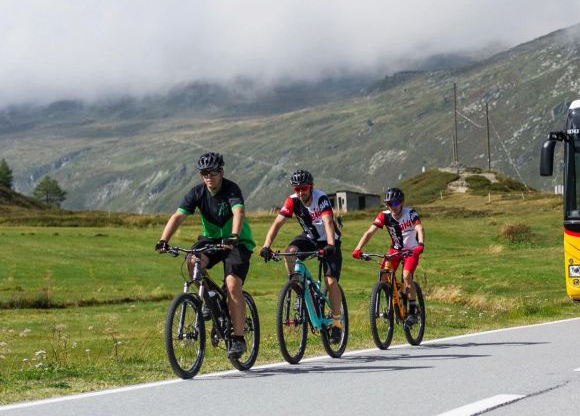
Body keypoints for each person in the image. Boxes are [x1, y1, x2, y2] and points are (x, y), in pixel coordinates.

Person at [155, 152, 255, 358]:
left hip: (237, 243)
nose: (209, 177)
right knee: (192, 261)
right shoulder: (197, 192)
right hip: (211, 241)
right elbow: (179, 215)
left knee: (232, 284)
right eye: (204, 173)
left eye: (213, 172)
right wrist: (163, 240)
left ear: (221, 172)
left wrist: (234, 236)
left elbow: (239, 212)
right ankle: (210, 298)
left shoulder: (231, 189)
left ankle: (238, 338)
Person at [258, 169, 344, 344]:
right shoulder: (292, 201)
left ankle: (336, 322)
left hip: (329, 240)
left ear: (310, 186)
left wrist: (330, 245)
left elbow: (328, 221)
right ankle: (297, 287)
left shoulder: (320, 198)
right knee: (289, 253)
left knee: (330, 281)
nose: (300, 192)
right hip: (310, 238)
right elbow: (277, 223)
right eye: (296, 188)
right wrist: (266, 245)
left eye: (303, 188)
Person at [351, 187, 425, 325]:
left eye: (395, 203)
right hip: (395, 250)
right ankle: (394, 301)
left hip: (411, 251)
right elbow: (370, 232)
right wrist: (358, 248)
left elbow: (419, 228)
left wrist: (420, 244)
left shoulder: (410, 213)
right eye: (389, 204)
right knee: (384, 274)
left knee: (406, 275)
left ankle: (413, 312)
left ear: (401, 202)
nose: (392, 207)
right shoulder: (384, 216)